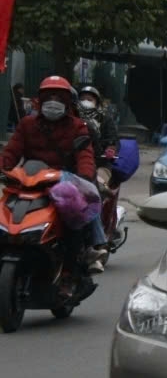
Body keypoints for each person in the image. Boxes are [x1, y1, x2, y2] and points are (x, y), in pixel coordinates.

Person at [1, 76, 99, 274]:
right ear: (40, 100)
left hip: (63, 184)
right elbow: (11, 152)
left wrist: (85, 177)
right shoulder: (27, 124)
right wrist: (4, 168)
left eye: (59, 96)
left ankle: (69, 273)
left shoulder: (77, 126)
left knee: (74, 222)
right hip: (28, 181)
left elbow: (85, 155)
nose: (53, 101)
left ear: (67, 101)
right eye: (49, 96)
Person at [78, 85, 120, 271]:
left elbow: (112, 140)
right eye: (83, 97)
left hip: (99, 165)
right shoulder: (73, 119)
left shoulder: (104, 120)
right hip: (70, 166)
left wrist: (110, 149)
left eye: (90, 98)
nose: (86, 101)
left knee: (94, 191)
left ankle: (98, 242)